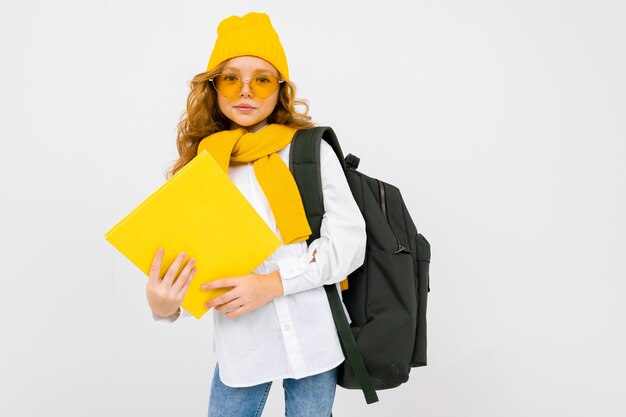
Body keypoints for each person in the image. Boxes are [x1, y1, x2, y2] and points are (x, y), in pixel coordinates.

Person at [146, 11, 366, 417]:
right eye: (231, 78)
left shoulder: (309, 151)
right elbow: (184, 262)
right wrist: (164, 306)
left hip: (315, 340)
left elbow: (349, 245)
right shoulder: (203, 168)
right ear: (213, 86)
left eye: (261, 79)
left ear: (280, 88)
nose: (245, 91)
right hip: (243, 349)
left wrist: (273, 284)